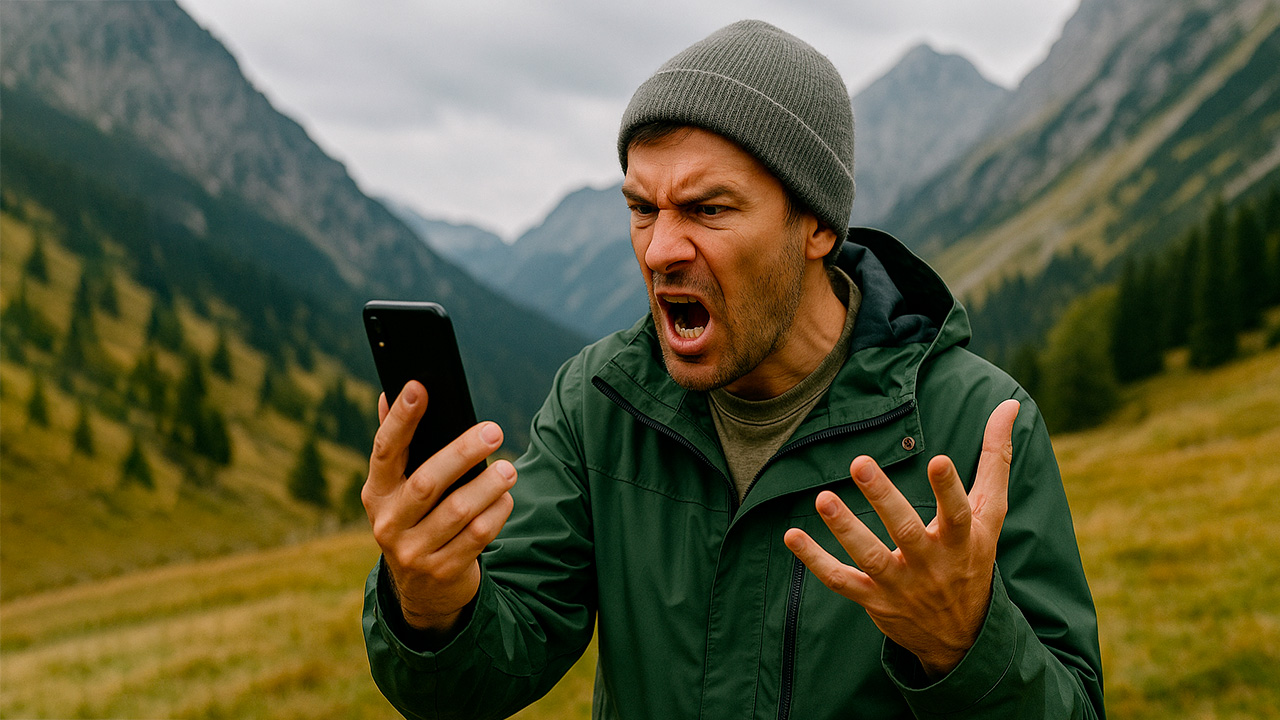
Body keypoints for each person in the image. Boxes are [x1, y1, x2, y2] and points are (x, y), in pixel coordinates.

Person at [361, 19, 1105, 720]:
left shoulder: (974, 428)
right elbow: (483, 674)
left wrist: (965, 645)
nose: (659, 250)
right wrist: (430, 605)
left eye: (708, 210)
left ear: (815, 224)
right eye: (643, 208)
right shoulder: (599, 403)